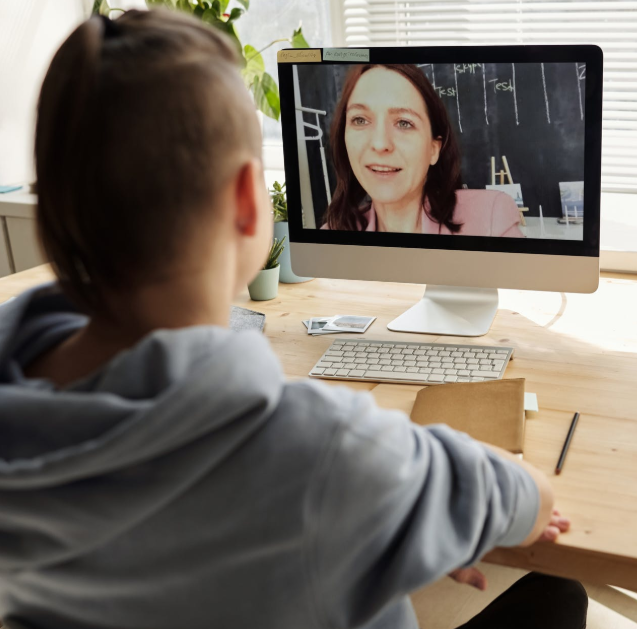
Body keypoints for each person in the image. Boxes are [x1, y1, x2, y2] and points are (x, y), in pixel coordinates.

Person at [0, 10, 586, 629]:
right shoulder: (326, 452)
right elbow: (529, 498)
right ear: (251, 201)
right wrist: (416, 509)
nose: (379, 143)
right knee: (555, 593)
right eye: (360, 120)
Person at [321, 64, 525, 237]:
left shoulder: (491, 218)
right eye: (360, 120)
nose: (380, 143)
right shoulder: (331, 236)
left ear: (433, 149)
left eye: (403, 123)